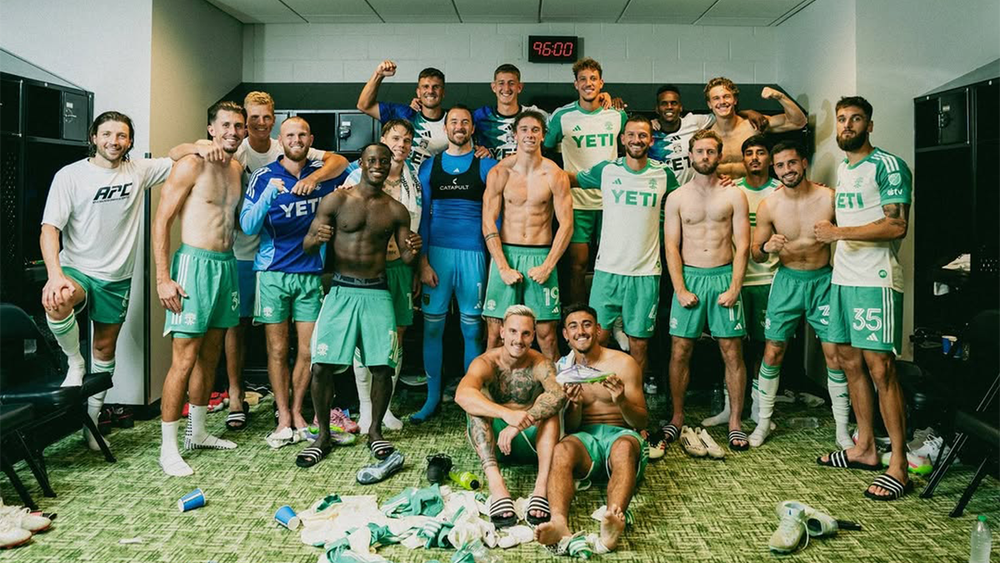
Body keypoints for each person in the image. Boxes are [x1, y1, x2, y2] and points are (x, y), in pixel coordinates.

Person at [40, 111, 221, 451]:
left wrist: (200, 143)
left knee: (105, 349)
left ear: (130, 142)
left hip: (117, 277)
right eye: (106, 134)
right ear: (93, 137)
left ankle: (92, 424)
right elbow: (50, 228)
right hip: (77, 268)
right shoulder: (71, 176)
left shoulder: (138, 170)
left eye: (121, 136)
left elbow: (180, 155)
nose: (114, 141)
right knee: (59, 298)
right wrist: (55, 275)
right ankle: (74, 362)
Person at [297, 143, 422, 483]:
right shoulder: (337, 200)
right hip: (340, 289)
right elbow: (307, 244)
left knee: (382, 366)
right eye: (372, 160)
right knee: (321, 366)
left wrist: (413, 251)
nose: (378, 165)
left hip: (377, 291)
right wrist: (317, 238)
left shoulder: (396, 209)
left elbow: (406, 258)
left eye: (384, 160)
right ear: (362, 164)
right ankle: (322, 434)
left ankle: (375, 431)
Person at [225, 91, 347, 432]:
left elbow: (348, 166)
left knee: (307, 350)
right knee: (277, 350)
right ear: (282, 140)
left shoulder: (322, 173)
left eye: (302, 135)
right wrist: (269, 194)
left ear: (310, 140)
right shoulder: (265, 176)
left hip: (309, 273)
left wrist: (314, 179)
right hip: (273, 272)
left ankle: (295, 410)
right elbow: (247, 225)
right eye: (290, 135)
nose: (296, 140)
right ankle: (281, 414)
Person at [815, 97, 913, 501]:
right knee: (847, 361)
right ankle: (866, 447)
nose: (847, 125)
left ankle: (899, 466)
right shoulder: (845, 167)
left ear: (869, 125)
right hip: (843, 279)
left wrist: (838, 234)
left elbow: (897, 225)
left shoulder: (887, 165)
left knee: (880, 368)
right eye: (842, 119)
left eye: (856, 119)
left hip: (876, 281)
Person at [154, 102, 247, 476]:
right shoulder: (191, 164)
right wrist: (163, 278)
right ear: (211, 129)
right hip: (194, 265)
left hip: (226, 266)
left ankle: (199, 432)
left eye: (238, 126)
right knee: (185, 358)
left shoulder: (237, 168)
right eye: (225, 125)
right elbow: (162, 222)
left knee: (211, 356)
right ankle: (168, 447)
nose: (232, 131)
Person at [747, 140, 851, 448]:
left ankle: (843, 429)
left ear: (803, 163)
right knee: (772, 351)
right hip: (787, 281)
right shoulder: (770, 205)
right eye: (779, 165)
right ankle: (763, 423)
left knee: (835, 355)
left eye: (791, 163)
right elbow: (755, 253)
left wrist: (835, 235)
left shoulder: (829, 198)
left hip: (824, 281)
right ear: (773, 169)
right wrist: (767, 247)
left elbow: (850, 237)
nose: (786, 170)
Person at [567, 115, 677, 379]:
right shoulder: (606, 170)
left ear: (650, 140)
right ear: (622, 139)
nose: (636, 140)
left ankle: (634, 405)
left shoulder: (664, 174)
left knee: (639, 344)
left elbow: (689, 196)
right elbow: (568, 178)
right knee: (595, 339)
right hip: (608, 271)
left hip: (646, 273)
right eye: (631, 135)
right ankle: (590, 402)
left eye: (642, 135)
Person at [662, 129, 751, 451]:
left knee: (732, 351)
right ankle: (676, 416)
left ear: (719, 155)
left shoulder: (734, 194)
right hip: (689, 277)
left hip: (724, 275)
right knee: (680, 350)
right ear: (690, 155)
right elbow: (671, 246)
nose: (704, 157)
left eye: (711, 152)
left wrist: (735, 287)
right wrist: (680, 288)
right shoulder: (677, 197)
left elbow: (743, 245)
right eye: (699, 152)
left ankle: (736, 422)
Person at [535, 304, 648, 553]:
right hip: (586, 440)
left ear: (597, 330)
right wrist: (574, 406)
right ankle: (558, 522)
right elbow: (573, 427)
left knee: (623, 449)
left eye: (587, 324)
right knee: (562, 449)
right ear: (565, 335)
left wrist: (621, 401)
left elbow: (642, 422)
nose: (581, 331)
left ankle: (612, 519)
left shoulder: (624, 363)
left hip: (622, 434)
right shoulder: (563, 370)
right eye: (573, 326)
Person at [413, 105, 499, 423]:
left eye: (465, 121)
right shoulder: (429, 167)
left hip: (474, 255)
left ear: (472, 128)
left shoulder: (487, 166)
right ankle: (432, 398)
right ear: (445, 128)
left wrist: (493, 263)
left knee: (472, 332)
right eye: (453, 122)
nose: (459, 126)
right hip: (437, 255)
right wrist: (422, 262)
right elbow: (421, 219)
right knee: (432, 330)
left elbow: (497, 219)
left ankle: (470, 399)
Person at [342, 119, 422, 433]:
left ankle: (384, 408)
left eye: (406, 140)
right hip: (366, 269)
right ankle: (365, 409)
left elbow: (416, 228)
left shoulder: (412, 179)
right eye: (395, 138)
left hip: (400, 266)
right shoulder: (357, 176)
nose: (401, 145)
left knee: (396, 336)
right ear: (383, 139)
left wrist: (415, 266)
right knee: (365, 337)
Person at [455, 305, 565, 528]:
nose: (519, 339)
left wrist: (519, 422)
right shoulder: (486, 362)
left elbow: (558, 394)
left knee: (550, 410)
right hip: (493, 444)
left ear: (533, 336)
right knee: (475, 407)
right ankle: (498, 487)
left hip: (533, 441)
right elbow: (462, 395)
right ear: (502, 331)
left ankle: (541, 489)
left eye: (525, 333)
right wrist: (506, 414)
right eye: (513, 332)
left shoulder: (541, 363)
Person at [702, 135, 780, 428]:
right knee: (732, 348)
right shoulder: (732, 189)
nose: (755, 158)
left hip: (769, 280)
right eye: (749, 153)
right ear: (743, 159)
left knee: (764, 348)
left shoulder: (780, 190)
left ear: (770, 159)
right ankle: (730, 407)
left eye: (761, 152)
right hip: (734, 278)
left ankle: (761, 411)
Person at [482, 110, 573, 360]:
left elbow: (566, 225)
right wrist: (501, 266)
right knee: (495, 332)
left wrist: (548, 266)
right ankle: (490, 392)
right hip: (506, 254)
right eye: (524, 129)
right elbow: (488, 221)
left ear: (543, 135)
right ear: (515, 135)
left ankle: (555, 394)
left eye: (535, 130)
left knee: (546, 334)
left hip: (541, 254)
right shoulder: (500, 172)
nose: (529, 135)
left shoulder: (555, 174)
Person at [544, 58, 627, 307]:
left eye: (593, 79)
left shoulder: (617, 115)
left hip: (611, 201)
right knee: (577, 265)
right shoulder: (562, 116)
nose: (588, 83)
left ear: (601, 82)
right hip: (577, 201)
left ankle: (609, 318)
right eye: (583, 79)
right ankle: (577, 315)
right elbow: (546, 151)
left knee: (612, 263)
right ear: (575, 84)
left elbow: (631, 150)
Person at [704, 77, 806, 178]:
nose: (722, 101)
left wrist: (780, 96)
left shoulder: (753, 125)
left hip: (754, 190)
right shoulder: (706, 135)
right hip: (721, 192)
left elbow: (798, 122)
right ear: (709, 104)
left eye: (726, 96)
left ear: (735, 100)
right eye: (716, 98)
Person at [357, 61, 447, 167]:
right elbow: (363, 106)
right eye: (425, 87)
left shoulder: (453, 121)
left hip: (432, 181)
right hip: (398, 179)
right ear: (418, 92)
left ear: (443, 92)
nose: (430, 91)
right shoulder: (404, 114)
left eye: (436, 87)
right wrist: (378, 75)